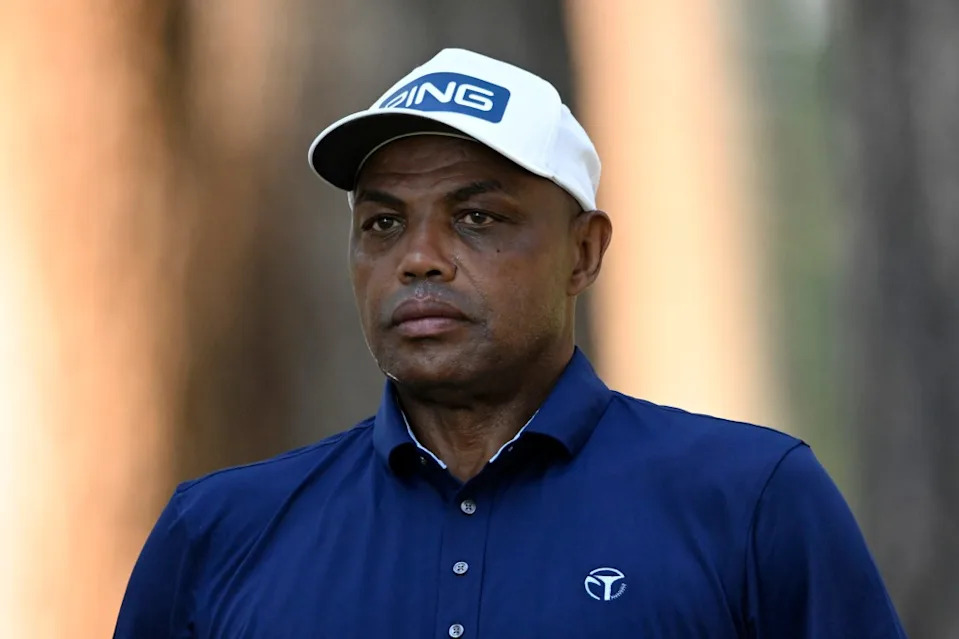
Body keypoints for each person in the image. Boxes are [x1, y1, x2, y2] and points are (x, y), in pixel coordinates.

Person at [114, 48, 906, 638]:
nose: (418, 257)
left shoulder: (751, 501)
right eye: (383, 222)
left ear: (583, 252)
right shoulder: (218, 532)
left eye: (476, 217)